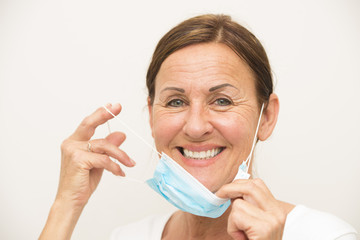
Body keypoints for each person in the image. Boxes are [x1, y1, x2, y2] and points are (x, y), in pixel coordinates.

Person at [39, 14, 358, 240]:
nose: (194, 126)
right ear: (151, 117)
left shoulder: (327, 235)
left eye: (222, 101)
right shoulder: (127, 236)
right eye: (175, 102)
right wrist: (66, 205)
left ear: (267, 117)